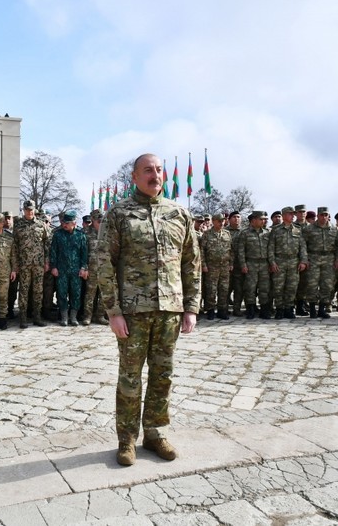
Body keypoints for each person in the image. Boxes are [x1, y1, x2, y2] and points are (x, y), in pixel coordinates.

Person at [98, 153, 200, 466]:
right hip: (133, 311)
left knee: (162, 374)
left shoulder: (178, 213)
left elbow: (191, 261)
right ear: (134, 177)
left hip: (170, 308)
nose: (154, 175)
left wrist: (191, 307)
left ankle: (155, 432)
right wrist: (114, 311)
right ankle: (127, 439)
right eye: (147, 170)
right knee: (130, 377)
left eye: (158, 170)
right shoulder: (118, 213)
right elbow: (104, 262)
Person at [13, 200, 49, 328]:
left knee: (38, 290)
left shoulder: (41, 224)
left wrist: (46, 261)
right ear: (24, 210)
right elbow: (15, 246)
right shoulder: (18, 225)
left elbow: (46, 244)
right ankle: (23, 318)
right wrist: (15, 264)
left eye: (32, 209)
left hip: (38, 264)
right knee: (23, 290)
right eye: (28, 209)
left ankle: (37, 317)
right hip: (24, 264)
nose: (30, 211)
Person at [267, 207, 308, 319]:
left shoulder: (298, 230)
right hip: (279, 261)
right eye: (290, 214)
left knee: (292, 286)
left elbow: (302, 247)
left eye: (293, 214)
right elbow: (270, 247)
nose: (293, 216)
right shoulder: (276, 230)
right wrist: (272, 262)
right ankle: (279, 309)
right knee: (278, 287)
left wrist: (303, 261)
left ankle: (289, 308)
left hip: (294, 261)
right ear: (284, 215)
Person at [49, 211, 88, 326]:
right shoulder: (58, 235)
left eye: (67, 223)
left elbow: (84, 253)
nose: (64, 225)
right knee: (61, 293)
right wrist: (54, 267)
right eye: (63, 222)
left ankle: (73, 317)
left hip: (76, 271)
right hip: (61, 270)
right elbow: (53, 252)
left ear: (74, 223)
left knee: (75, 293)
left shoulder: (81, 236)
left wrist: (83, 267)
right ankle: (64, 318)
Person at [301, 207, 338, 319]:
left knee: (327, 285)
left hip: (329, 259)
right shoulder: (309, 229)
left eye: (326, 215)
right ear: (318, 216)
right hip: (313, 258)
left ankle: (322, 309)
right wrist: (305, 259)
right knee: (312, 285)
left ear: (328, 216)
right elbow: (303, 245)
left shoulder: (334, 229)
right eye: (321, 215)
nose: (324, 217)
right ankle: (313, 308)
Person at [236, 210, 271, 319]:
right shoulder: (245, 233)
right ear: (254, 220)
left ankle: (264, 310)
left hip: (264, 264)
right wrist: (243, 265)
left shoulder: (267, 233)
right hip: (251, 263)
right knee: (250, 288)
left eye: (264, 219)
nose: (263, 221)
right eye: (261, 219)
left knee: (264, 288)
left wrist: (271, 263)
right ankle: (250, 309)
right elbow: (241, 251)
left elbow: (270, 249)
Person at [201, 213, 232, 320]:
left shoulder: (227, 234)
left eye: (223, 221)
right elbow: (202, 251)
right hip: (212, 266)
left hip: (224, 266)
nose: (221, 223)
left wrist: (231, 263)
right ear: (213, 221)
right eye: (219, 221)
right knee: (211, 289)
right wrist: (204, 264)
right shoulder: (207, 234)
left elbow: (231, 250)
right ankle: (210, 310)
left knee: (224, 289)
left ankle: (222, 310)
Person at [82, 208, 108, 325]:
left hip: (105, 269)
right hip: (91, 268)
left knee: (104, 294)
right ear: (92, 220)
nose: (101, 223)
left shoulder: (107, 232)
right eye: (98, 220)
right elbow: (82, 252)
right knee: (90, 294)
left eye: (102, 220)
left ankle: (100, 316)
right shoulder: (86, 233)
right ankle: (87, 316)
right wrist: (84, 267)